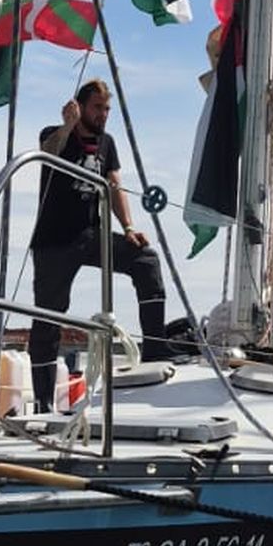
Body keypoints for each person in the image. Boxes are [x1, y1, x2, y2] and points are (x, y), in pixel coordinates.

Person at [29, 78, 167, 410]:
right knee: (49, 317)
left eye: (107, 109)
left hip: (91, 235)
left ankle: (155, 350)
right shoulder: (55, 133)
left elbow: (115, 185)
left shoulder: (108, 143)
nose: (103, 115)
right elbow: (46, 155)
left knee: (146, 260)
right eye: (97, 108)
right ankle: (44, 402)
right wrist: (68, 125)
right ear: (80, 106)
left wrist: (129, 227)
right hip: (54, 241)